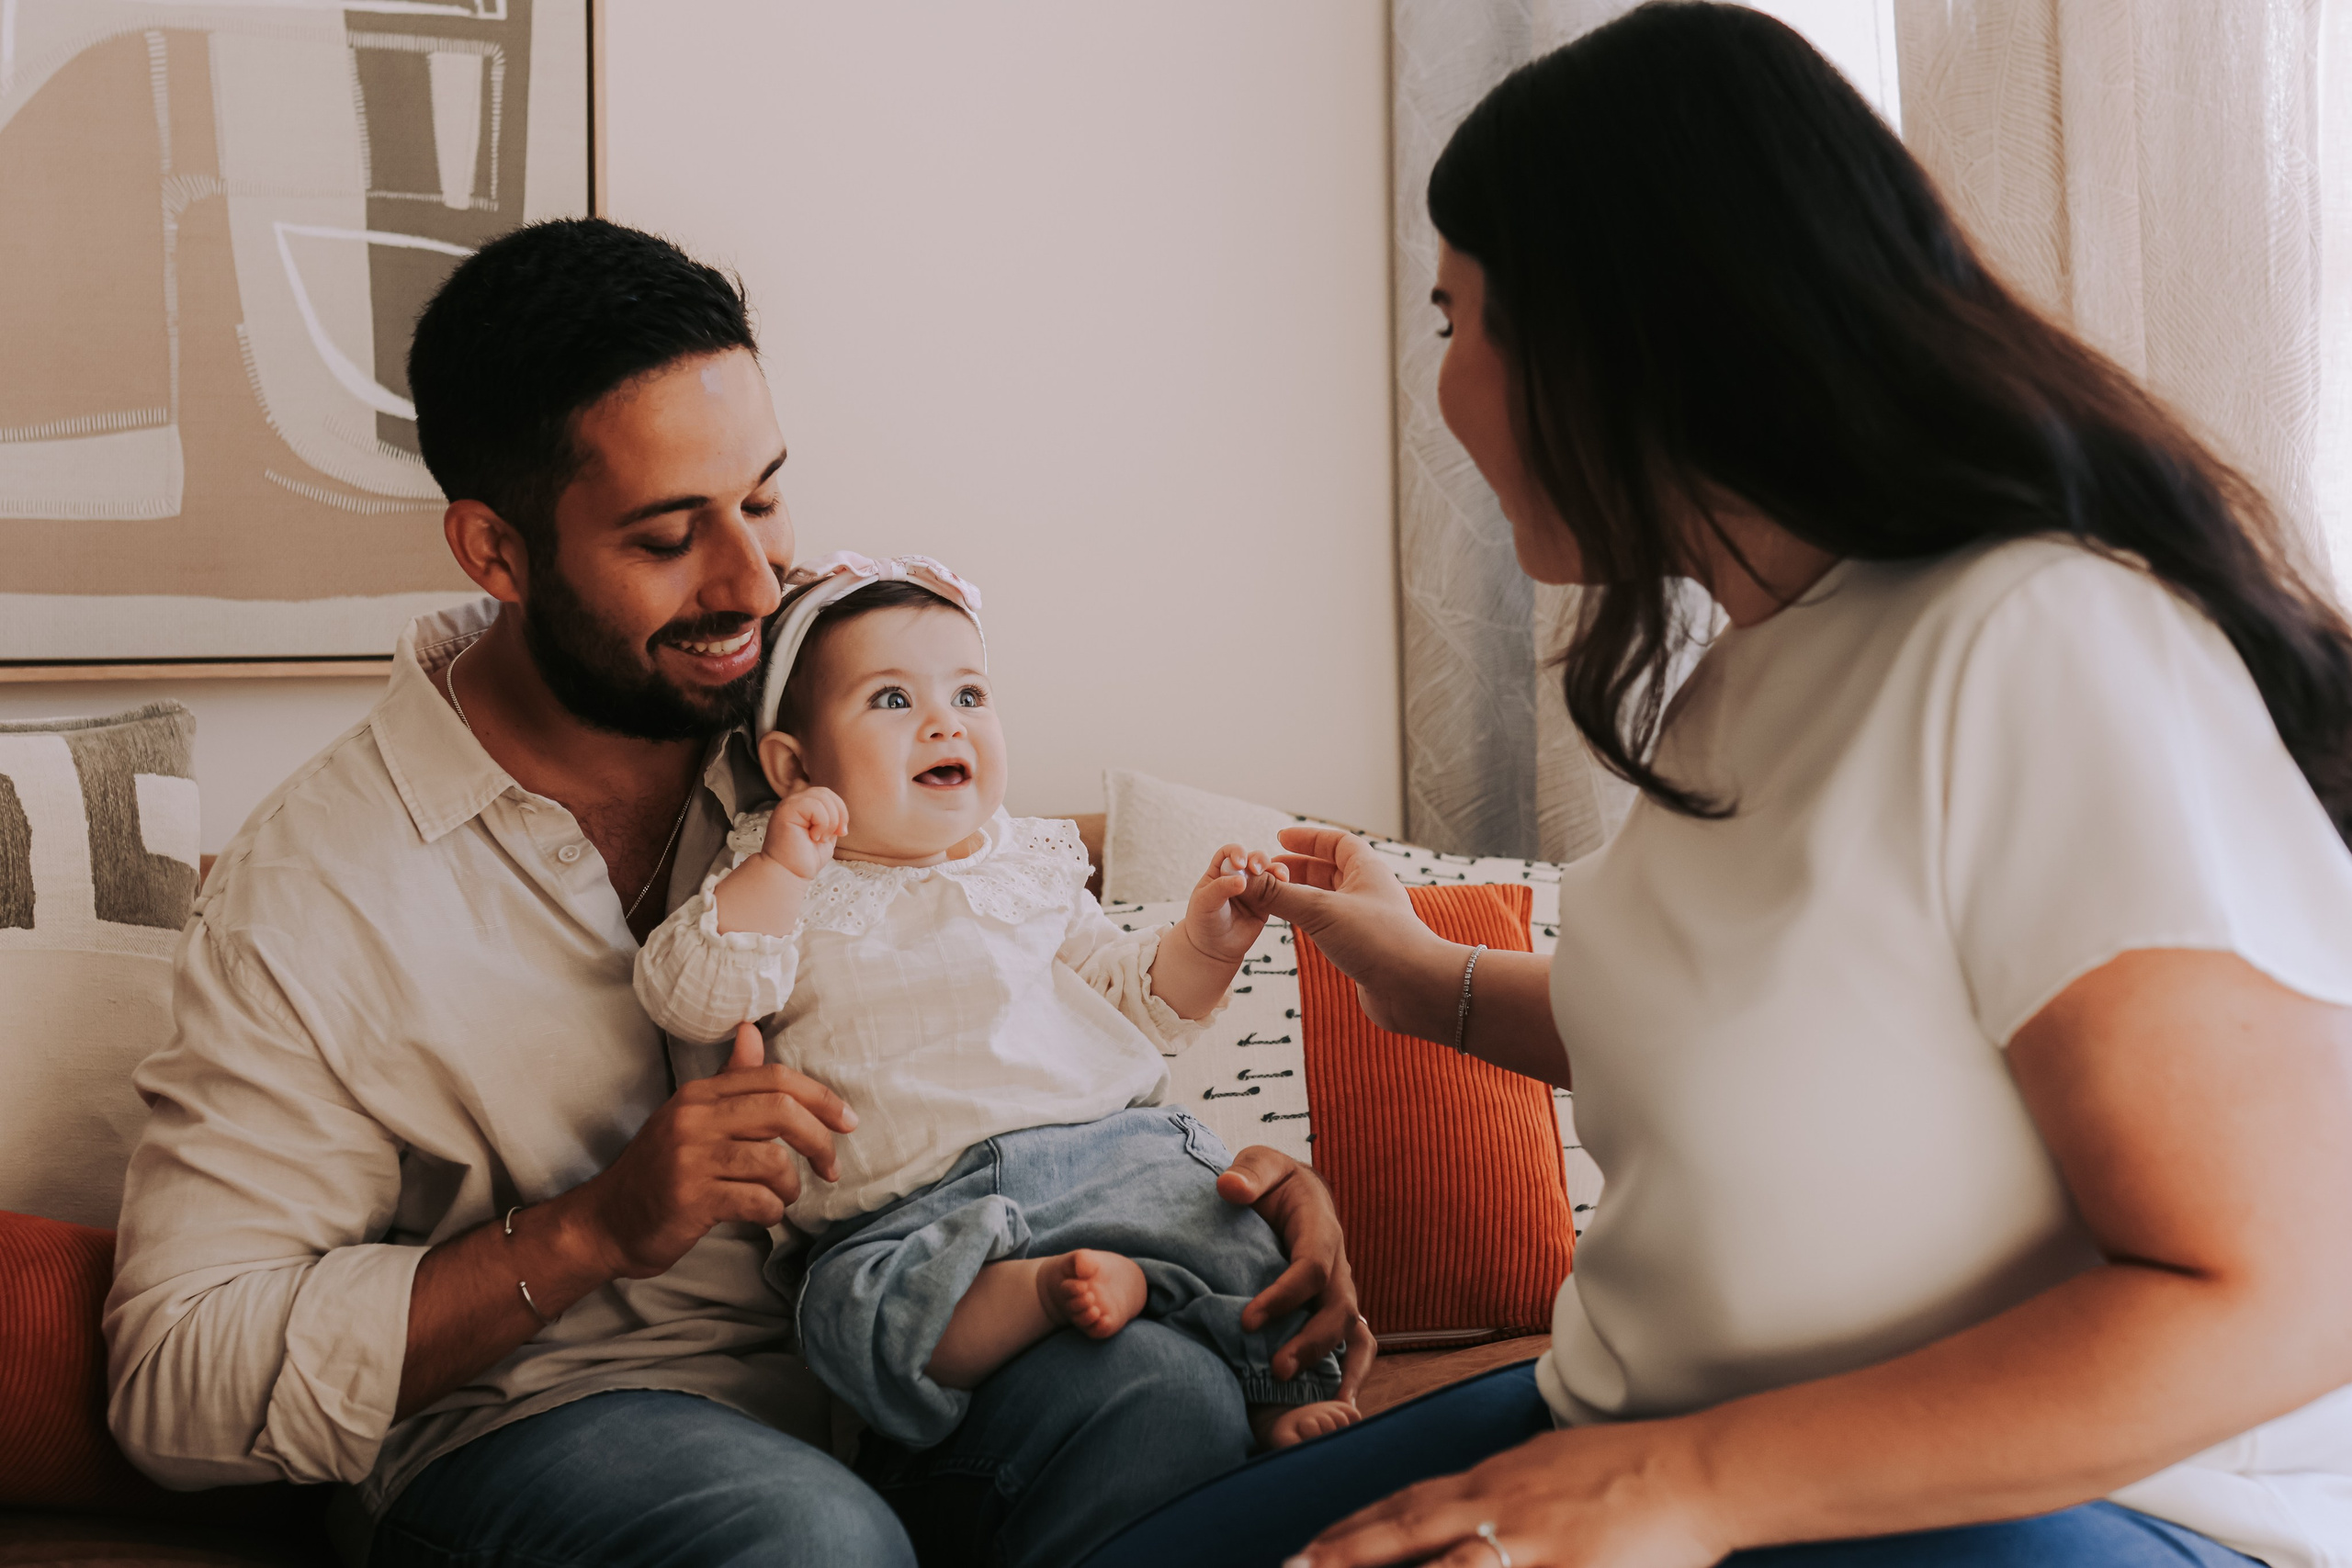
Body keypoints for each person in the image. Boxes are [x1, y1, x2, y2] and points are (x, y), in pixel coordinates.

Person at [1077, 6, 2352, 1566]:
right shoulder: (1738, 675)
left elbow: (2287, 1287)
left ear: (1623, 331)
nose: (1448, 388)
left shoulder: (2034, 638)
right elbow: (1785, 1021)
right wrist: (1422, 974)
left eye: (1455, 318)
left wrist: (1682, 1488)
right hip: (1661, 1433)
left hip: (2040, 1510)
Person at [103, 218, 1371, 1568]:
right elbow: (176, 1378)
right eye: (667, 536)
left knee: (1165, 1400)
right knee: (807, 1537)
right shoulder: (318, 887)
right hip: (555, 1423)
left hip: (923, 1373)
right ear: (496, 551)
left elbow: (1002, 1000)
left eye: (763, 498)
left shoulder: (832, 711)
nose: (754, 580)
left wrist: (1216, 1199)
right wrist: (595, 1226)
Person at [632, 550, 1362, 1455]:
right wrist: (781, 870)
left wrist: (1204, 946)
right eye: (893, 701)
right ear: (792, 764)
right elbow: (688, 997)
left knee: (1224, 1219)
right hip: (911, 1211)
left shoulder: (1029, 862)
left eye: (969, 696)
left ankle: (1275, 1390)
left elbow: (1131, 1004)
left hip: (1103, 1155)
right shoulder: (779, 878)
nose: (944, 724)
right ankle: (1043, 1291)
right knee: (847, 1314)